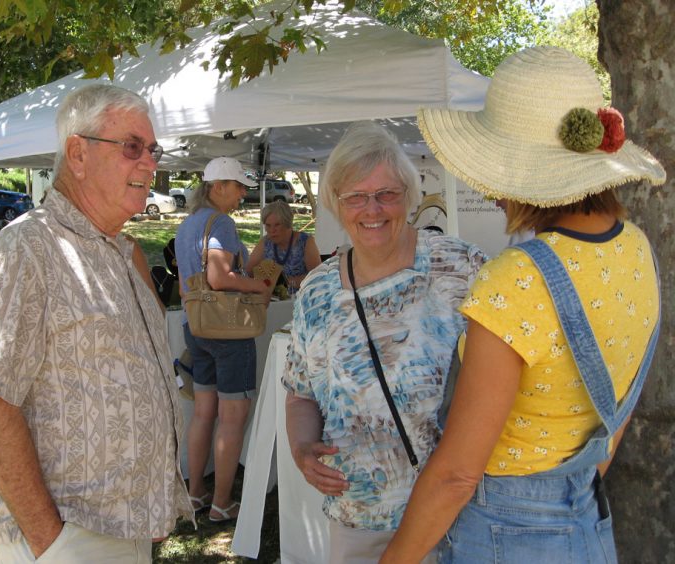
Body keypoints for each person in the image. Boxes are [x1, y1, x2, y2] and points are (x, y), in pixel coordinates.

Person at [381, 46, 666, 563]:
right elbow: (613, 419)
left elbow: (456, 475)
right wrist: (563, 495)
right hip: (586, 520)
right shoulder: (636, 249)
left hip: (502, 531)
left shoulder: (517, 279)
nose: (491, 191)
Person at [0, 84, 192, 564]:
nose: (149, 163)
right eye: (132, 147)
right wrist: (53, 545)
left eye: (152, 150)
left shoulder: (120, 251)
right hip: (71, 537)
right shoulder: (26, 250)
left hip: (122, 529)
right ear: (78, 154)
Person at [283, 121, 487, 563]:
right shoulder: (317, 291)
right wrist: (301, 450)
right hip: (358, 514)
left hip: (452, 514)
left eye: (386, 194)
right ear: (337, 205)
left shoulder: (461, 269)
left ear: (410, 197)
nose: (371, 209)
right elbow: (301, 393)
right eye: (355, 196)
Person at [174, 157, 270, 522]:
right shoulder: (222, 223)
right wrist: (255, 284)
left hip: (195, 326)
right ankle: (222, 503)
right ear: (218, 187)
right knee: (232, 417)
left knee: (203, 413)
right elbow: (219, 276)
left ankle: (196, 492)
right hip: (228, 329)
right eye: (238, 186)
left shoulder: (187, 225)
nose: (243, 193)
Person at [246, 200, 321, 294]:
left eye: (277, 225)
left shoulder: (306, 242)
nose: (272, 230)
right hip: (273, 301)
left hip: (301, 299)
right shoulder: (265, 243)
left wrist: (287, 282)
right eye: (268, 226)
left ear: (287, 224)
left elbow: (317, 276)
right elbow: (248, 272)